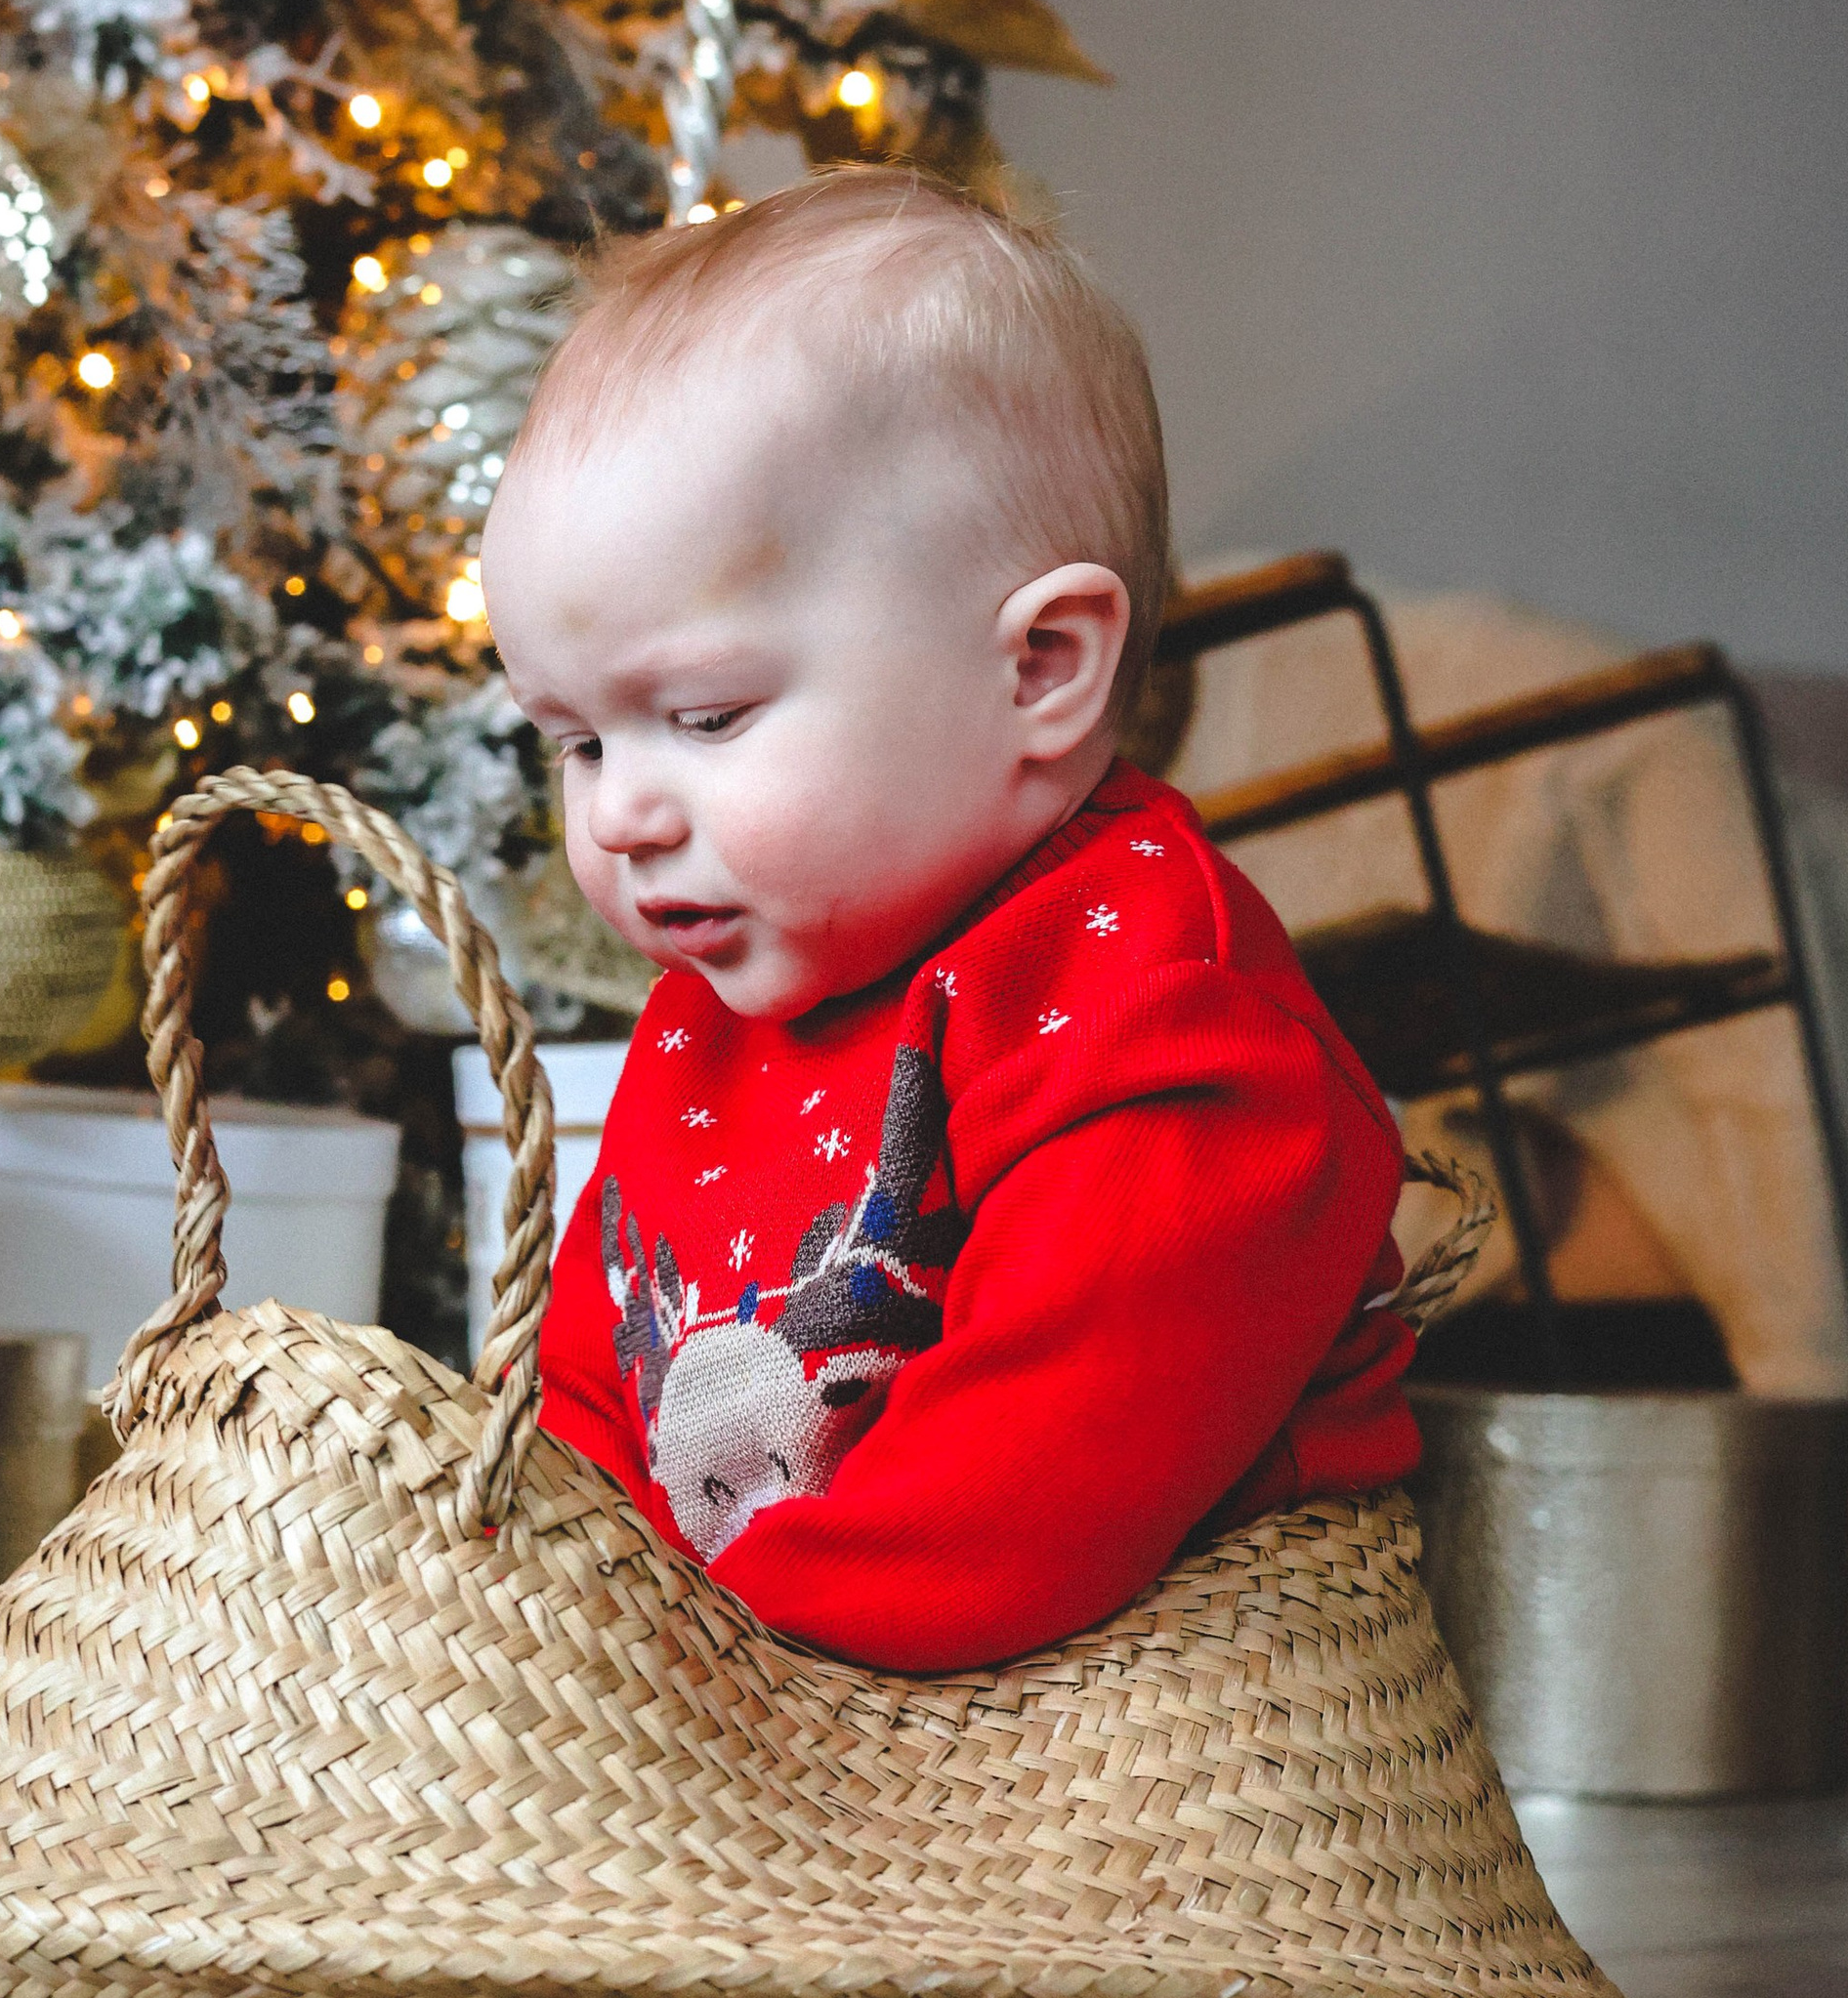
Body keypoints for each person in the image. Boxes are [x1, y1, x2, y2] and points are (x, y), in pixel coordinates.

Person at [476, 166, 1414, 1671]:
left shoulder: (1157, 1016)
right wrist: (537, 1582)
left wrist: (695, 1672)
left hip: (1085, 1773)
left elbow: (1030, 1485)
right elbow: (597, 1373)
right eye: (577, 742)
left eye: (706, 716)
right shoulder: (725, 1010)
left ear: (1041, 668)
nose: (619, 815)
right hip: (787, 1733)